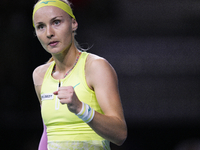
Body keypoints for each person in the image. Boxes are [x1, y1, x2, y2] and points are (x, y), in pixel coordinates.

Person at [32, 0, 127, 149]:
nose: (49, 33)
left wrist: (81, 108)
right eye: (41, 26)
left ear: (73, 24)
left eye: (56, 22)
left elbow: (120, 134)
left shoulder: (96, 67)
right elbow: (48, 132)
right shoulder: (39, 75)